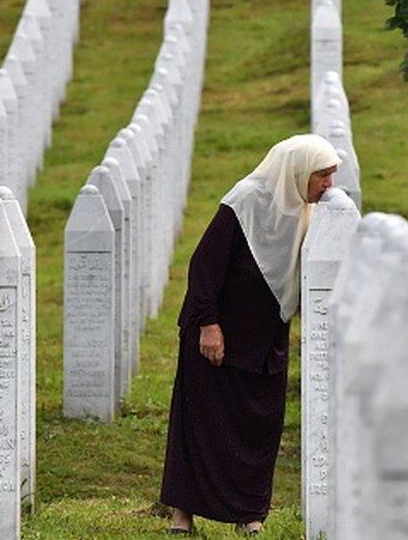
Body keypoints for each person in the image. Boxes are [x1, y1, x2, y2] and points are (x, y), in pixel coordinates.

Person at [160, 134, 341, 535]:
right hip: (217, 336)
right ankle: (182, 515)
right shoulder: (245, 200)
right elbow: (204, 265)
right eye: (322, 176)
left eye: (331, 176)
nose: (328, 186)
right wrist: (208, 325)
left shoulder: (306, 210)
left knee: (258, 428)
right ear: (297, 171)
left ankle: (250, 514)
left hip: (264, 340)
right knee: (201, 424)